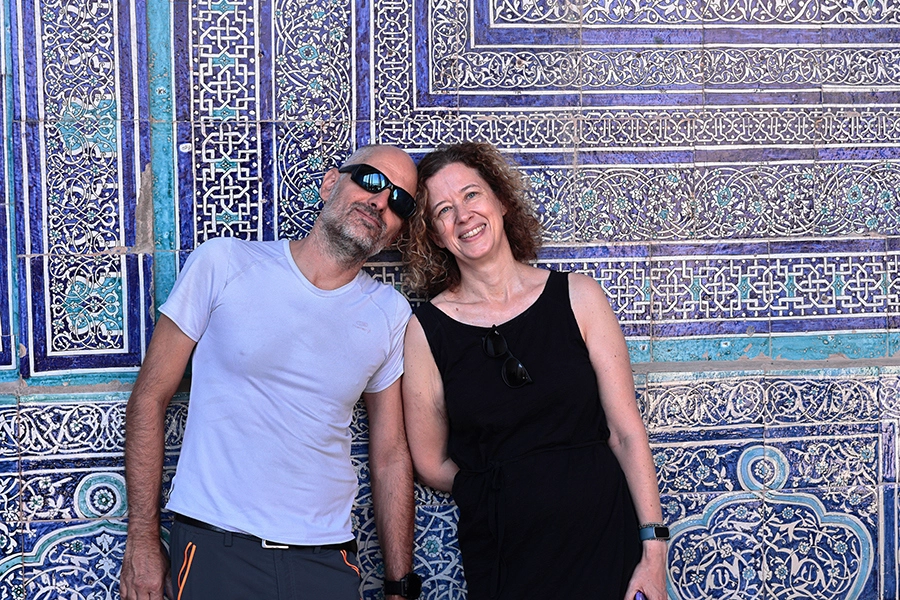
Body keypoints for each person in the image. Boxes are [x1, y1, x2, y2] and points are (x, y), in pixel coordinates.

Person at [120, 145, 423, 600]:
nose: (381, 201)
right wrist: (142, 537)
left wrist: (400, 585)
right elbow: (149, 397)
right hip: (216, 545)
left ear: (398, 229)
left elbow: (390, 454)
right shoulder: (223, 263)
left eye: (400, 201)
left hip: (327, 559)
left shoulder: (389, 312)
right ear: (329, 183)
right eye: (372, 180)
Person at [401, 142, 667, 600]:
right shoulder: (426, 331)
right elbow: (429, 462)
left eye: (471, 195)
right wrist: (501, 490)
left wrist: (654, 550)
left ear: (501, 202)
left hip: (607, 542)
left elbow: (626, 432)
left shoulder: (580, 297)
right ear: (436, 235)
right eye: (443, 210)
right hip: (506, 556)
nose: (463, 215)